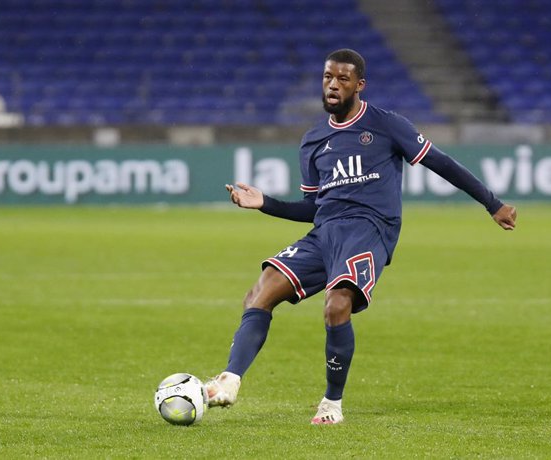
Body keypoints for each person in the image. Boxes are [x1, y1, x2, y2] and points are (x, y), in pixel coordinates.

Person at [205, 49, 517, 425]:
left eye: (342, 79)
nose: (333, 85)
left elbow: (443, 164)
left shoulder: (387, 125)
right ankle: (229, 381)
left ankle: (331, 403)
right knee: (260, 290)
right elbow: (314, 208)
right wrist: (265, 203)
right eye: (327, 78)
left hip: (369, 230)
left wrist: (492, 203)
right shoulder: (313, 140)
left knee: (337, 305)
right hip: (326, 232)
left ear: (359, 85)